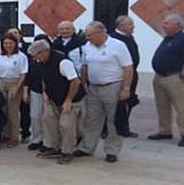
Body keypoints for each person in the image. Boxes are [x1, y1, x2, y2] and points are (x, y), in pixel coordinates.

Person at [74, 21, 133, 163]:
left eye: (90, 35)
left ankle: (112, 150)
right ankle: (87, 148)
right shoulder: (88, 46)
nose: (87, 38)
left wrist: (126, 88)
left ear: (101, 33)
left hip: (113, 86)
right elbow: (85, 66)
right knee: (91, 119)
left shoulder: (118, 46)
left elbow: (128, 68)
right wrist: (83, 84)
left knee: (113, 120)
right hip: (94, 87)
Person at [28, 40, 86, 164]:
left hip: (71, 99)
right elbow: (44, 78)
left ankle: (67, 151)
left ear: (43, 52)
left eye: (35, 56)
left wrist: (68, 100)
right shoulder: (42, 62)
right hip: (53, 98)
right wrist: (45, 92)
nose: (34, 59)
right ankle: (52, 146)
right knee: (48, 120)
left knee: (66, 125)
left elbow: (75, 81)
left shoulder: (63, 62)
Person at [148, 14, 184, 146]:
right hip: (159, 77)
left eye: (167, 23)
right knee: (162, 106)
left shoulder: (182, 38)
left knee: (181, 107)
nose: (163, 25)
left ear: (177, 25)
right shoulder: (167, 38)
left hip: (175, 77)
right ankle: (165, 131)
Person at [0, 33, 28, 147]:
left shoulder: (21, 56)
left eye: (10, 43)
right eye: (6, 43)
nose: (8, 45)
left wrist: (18, 88)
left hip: (15, 82)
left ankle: (14, 137)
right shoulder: (0, 56)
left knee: (13, 111)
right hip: (2, 82)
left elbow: (23, 73)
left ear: (15, 44)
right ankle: (5, 134)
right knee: (3, 110)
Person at [107, 16, 140, 138]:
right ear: (121, 26)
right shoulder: (113, 39)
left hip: (132, 75)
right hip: (119, 77)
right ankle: (109, 129)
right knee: (116, 104)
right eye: (130, 24)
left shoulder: (130, 37)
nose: (133, 27)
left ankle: (123, 127)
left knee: (129, 101)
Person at [23, 34, 48, 151]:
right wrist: (25, 91)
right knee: (35, 116)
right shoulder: (31, 60)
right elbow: (28, 76)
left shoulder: (53, 59)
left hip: (50, 92)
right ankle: (37, 139)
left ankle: (48, 141)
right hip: (35, 90)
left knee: (48, 117)